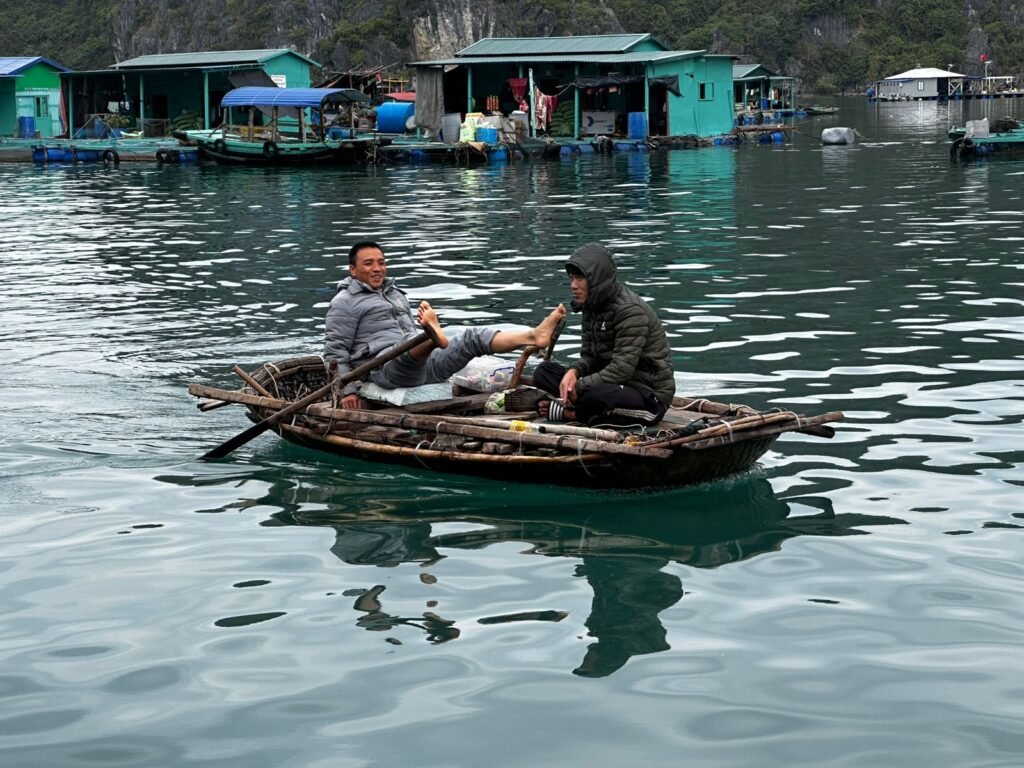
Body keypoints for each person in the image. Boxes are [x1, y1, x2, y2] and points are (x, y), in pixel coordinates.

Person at [324, 241, 565, 409]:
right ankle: (430, 337)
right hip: (384, 370)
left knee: (471, 338)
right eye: (368, 264)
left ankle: (533, 336)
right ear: (353, 270)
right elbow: (335, 353)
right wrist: (347, 392)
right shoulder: (344, 302)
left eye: (381, 262)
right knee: (406, 347)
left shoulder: (395, 293)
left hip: (427, 367)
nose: (378, 269)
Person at [533, 243, 675, 426]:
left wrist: (579, 387)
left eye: (580, 279)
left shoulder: (630, 311)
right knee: (545, 372)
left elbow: (622, 369)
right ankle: (585, 408)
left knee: (597, 394)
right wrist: (574, 372)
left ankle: (573, 414)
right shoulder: (591, 306)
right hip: (610, 384)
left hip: (647, 396)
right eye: (571, 279)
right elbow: (589, 356)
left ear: (597, 280)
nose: (573, 285)